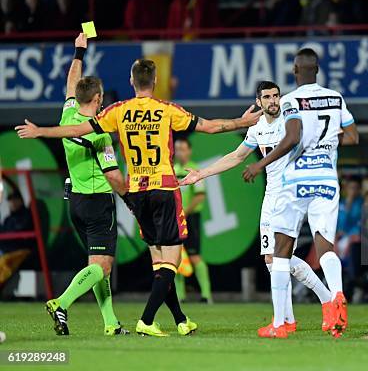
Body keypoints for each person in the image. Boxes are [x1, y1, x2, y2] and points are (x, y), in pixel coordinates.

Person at [15, 59, 262, 337]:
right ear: (154, 81)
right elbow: (211, 127)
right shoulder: (166, 110)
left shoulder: (117, 111)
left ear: (132, 82)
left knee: (159, 262)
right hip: (164, 188)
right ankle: (146, 319)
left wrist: (40, 131)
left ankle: (181, 319)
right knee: (172, 261)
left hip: (138, 192)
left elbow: (76, 130)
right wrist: (243, 121)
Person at [180, 81, 334, 334]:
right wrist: (201, 174)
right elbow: (237, 156)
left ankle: (300, 314)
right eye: (267, 97)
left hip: (291, 195)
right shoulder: (258, 127)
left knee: (278, 258)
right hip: (271, 196)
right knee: (274, 261)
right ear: (258, 101)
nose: (273, 100)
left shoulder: (291, 119)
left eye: (276, 95)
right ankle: (300, 313)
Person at [242, 49, 359, 338]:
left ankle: (280, 325)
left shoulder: (291, 101)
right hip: (327, 178)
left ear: (295, 70)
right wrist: (328, 141)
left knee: (279, 251)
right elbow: (354, 137)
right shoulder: (336, 98)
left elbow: (292, 138)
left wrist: (260, 163)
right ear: (317, 69)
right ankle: (337, 295)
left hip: (296, 180)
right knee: (325, 245)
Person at [44, 33, 129, 336]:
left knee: (97, 266)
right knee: (102, 267)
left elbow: (71, 81)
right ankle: (61, 303)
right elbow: (112, 175)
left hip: (76, 203)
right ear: (98, 99)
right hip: (98, 203)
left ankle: (110, 323)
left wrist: (79, 52)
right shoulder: (100, 135)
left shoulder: (68, 113)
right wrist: (131, 194)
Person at [173, 137, 212, 303]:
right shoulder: (171, 170)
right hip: (173, 219)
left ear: (189, 151)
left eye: (183, 149)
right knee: (174, 257)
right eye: (177, 149)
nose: (179, 152)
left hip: (190, 218)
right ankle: (180, 296)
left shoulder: (195, 170)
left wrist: (185, 213)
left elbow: (200, 196)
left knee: (195, 256)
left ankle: (206, 295)